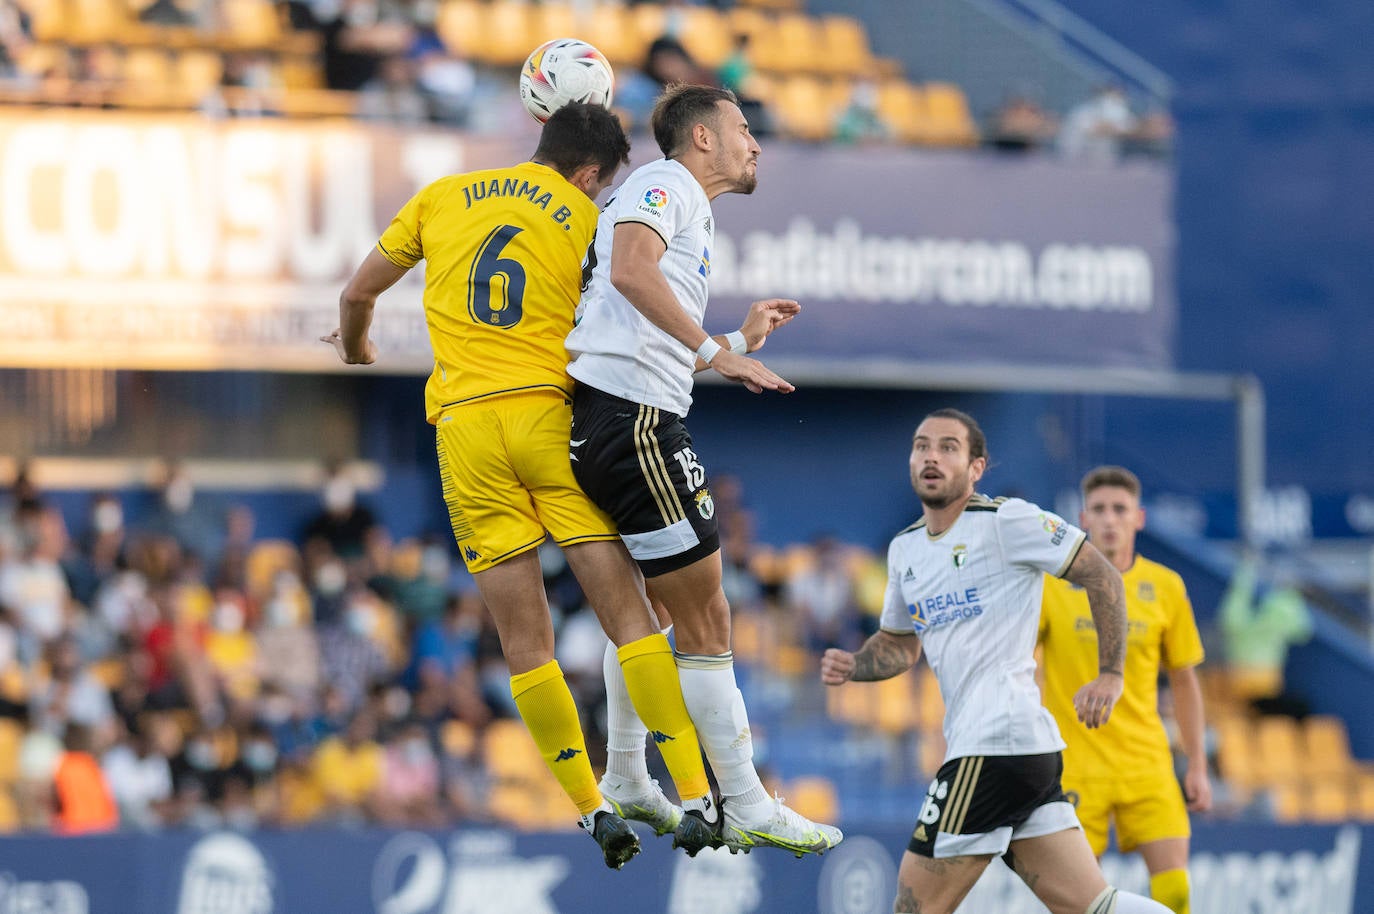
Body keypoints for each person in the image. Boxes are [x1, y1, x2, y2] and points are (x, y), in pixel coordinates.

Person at [323, 102, 715, 868]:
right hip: (547, 420)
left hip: (465, 434)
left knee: (524, 642)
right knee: (629, 617)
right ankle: (697, 796)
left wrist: (358, 352)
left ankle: (590, 809)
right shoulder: (587, 216)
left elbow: (355, 298)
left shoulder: (442, 196)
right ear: (592, 172)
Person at [565, 83, 841, 856]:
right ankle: (745, 799)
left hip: (615, 419)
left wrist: (737, 341)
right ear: (702, 140)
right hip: (637, 424)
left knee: (648, 617)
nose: (756, 144)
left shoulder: (683, 200)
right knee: (706, 616)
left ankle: (624, 772)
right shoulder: (666, 184)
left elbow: (637, 318)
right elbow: (628, 270)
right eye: (744, 129)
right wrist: (717, 352)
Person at [819, 409, 1172, 914]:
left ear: (976, 467)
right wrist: (855, 665)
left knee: (915, 906)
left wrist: (1112, 673)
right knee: (1093, 906)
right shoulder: (904, 550)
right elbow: (899, 646)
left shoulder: (1008, 520)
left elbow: (1103, 575)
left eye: (948, 447)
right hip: (1018, 753)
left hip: (995, 744)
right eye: (922, 446)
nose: (931, 457)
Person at [1039, 466, 1211, 914]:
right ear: (1083, 517)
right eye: (1099, 509)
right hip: (1074, 766)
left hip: (1146, 762)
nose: (1110, 519)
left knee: (1175, 895)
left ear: (1140, 518)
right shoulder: (1051, 586)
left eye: (1120, 509)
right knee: (1077, 903)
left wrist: (1197, 764)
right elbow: (1016, 662)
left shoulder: (1167, 586)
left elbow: (1185, 679)